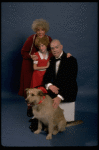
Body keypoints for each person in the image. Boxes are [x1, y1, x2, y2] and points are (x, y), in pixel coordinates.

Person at [18, 19, 52, 117]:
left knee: (43, 87)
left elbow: (53, 50)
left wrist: (64, 55)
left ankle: (43, 106)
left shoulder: (49, 39)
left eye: (42, 30)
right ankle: (30, 108)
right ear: (35, 30)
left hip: (43, 67)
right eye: (38, 30)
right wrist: (31, 56)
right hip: (29, 66)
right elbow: (23, 52)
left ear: (45, 30)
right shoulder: (31, 39)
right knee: (31, 88)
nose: (40, 32)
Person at [43, 39, 78, 122]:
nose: (54, 50)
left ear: (61, 47)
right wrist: (50, 85)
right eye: (52, 48)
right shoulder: (51, 60)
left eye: (56, 47)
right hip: (55, 90)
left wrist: (59, 97)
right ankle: (40, 120)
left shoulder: (71, 60)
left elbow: (71, 81)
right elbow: (46, 78)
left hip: (68, 91)